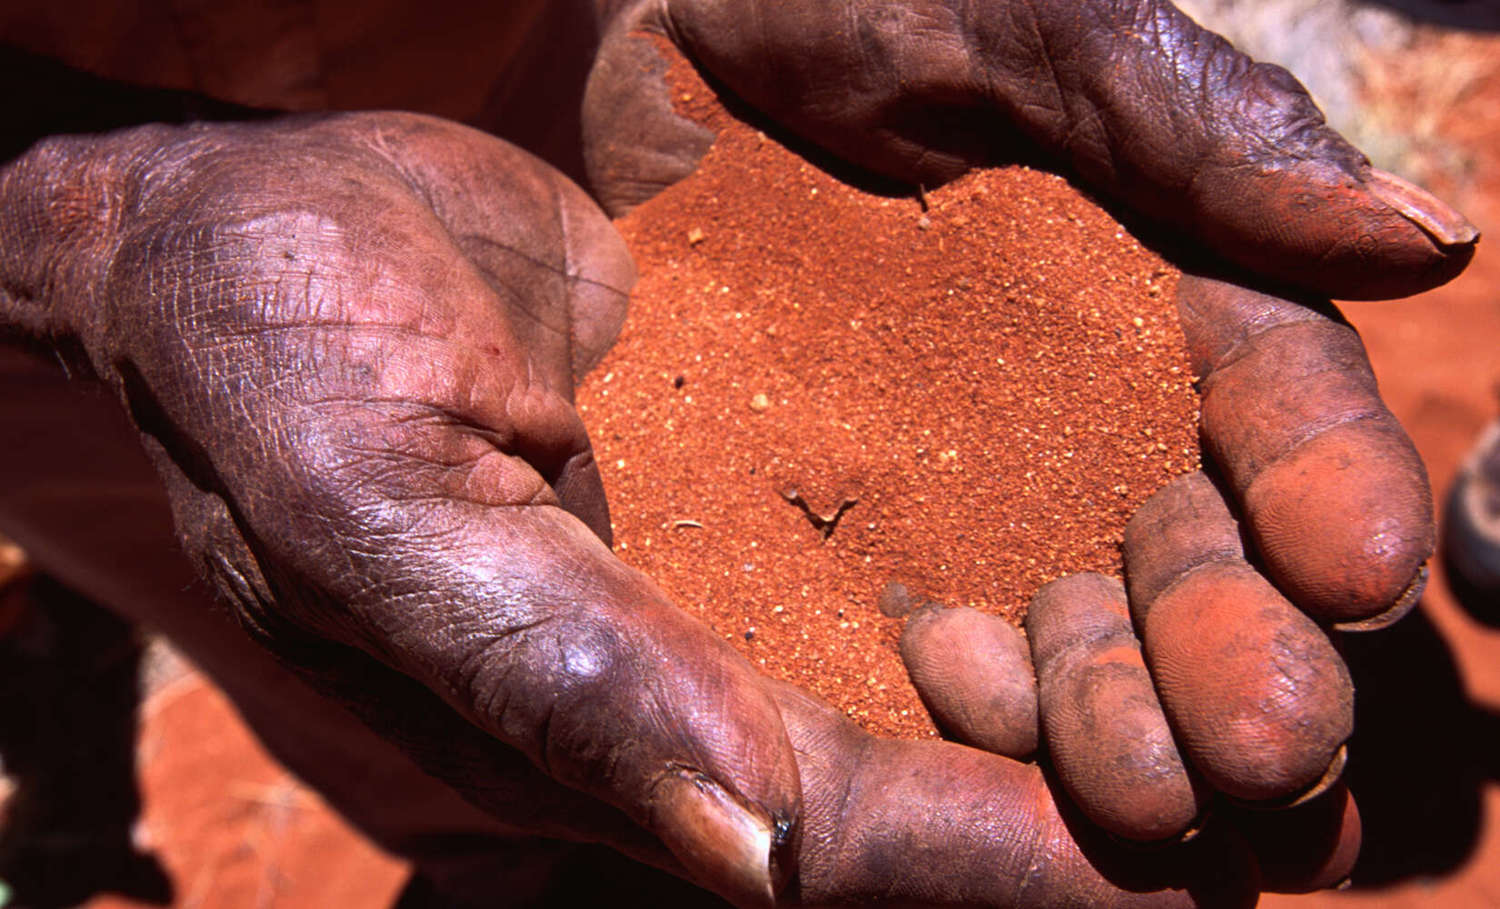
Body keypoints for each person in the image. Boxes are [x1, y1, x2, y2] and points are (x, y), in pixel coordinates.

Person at [0, 0, 1477, 905]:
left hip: (559, 44)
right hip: (63, 218)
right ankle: (508, 865)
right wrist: (97, 221)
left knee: (548, 584)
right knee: (371, 629)